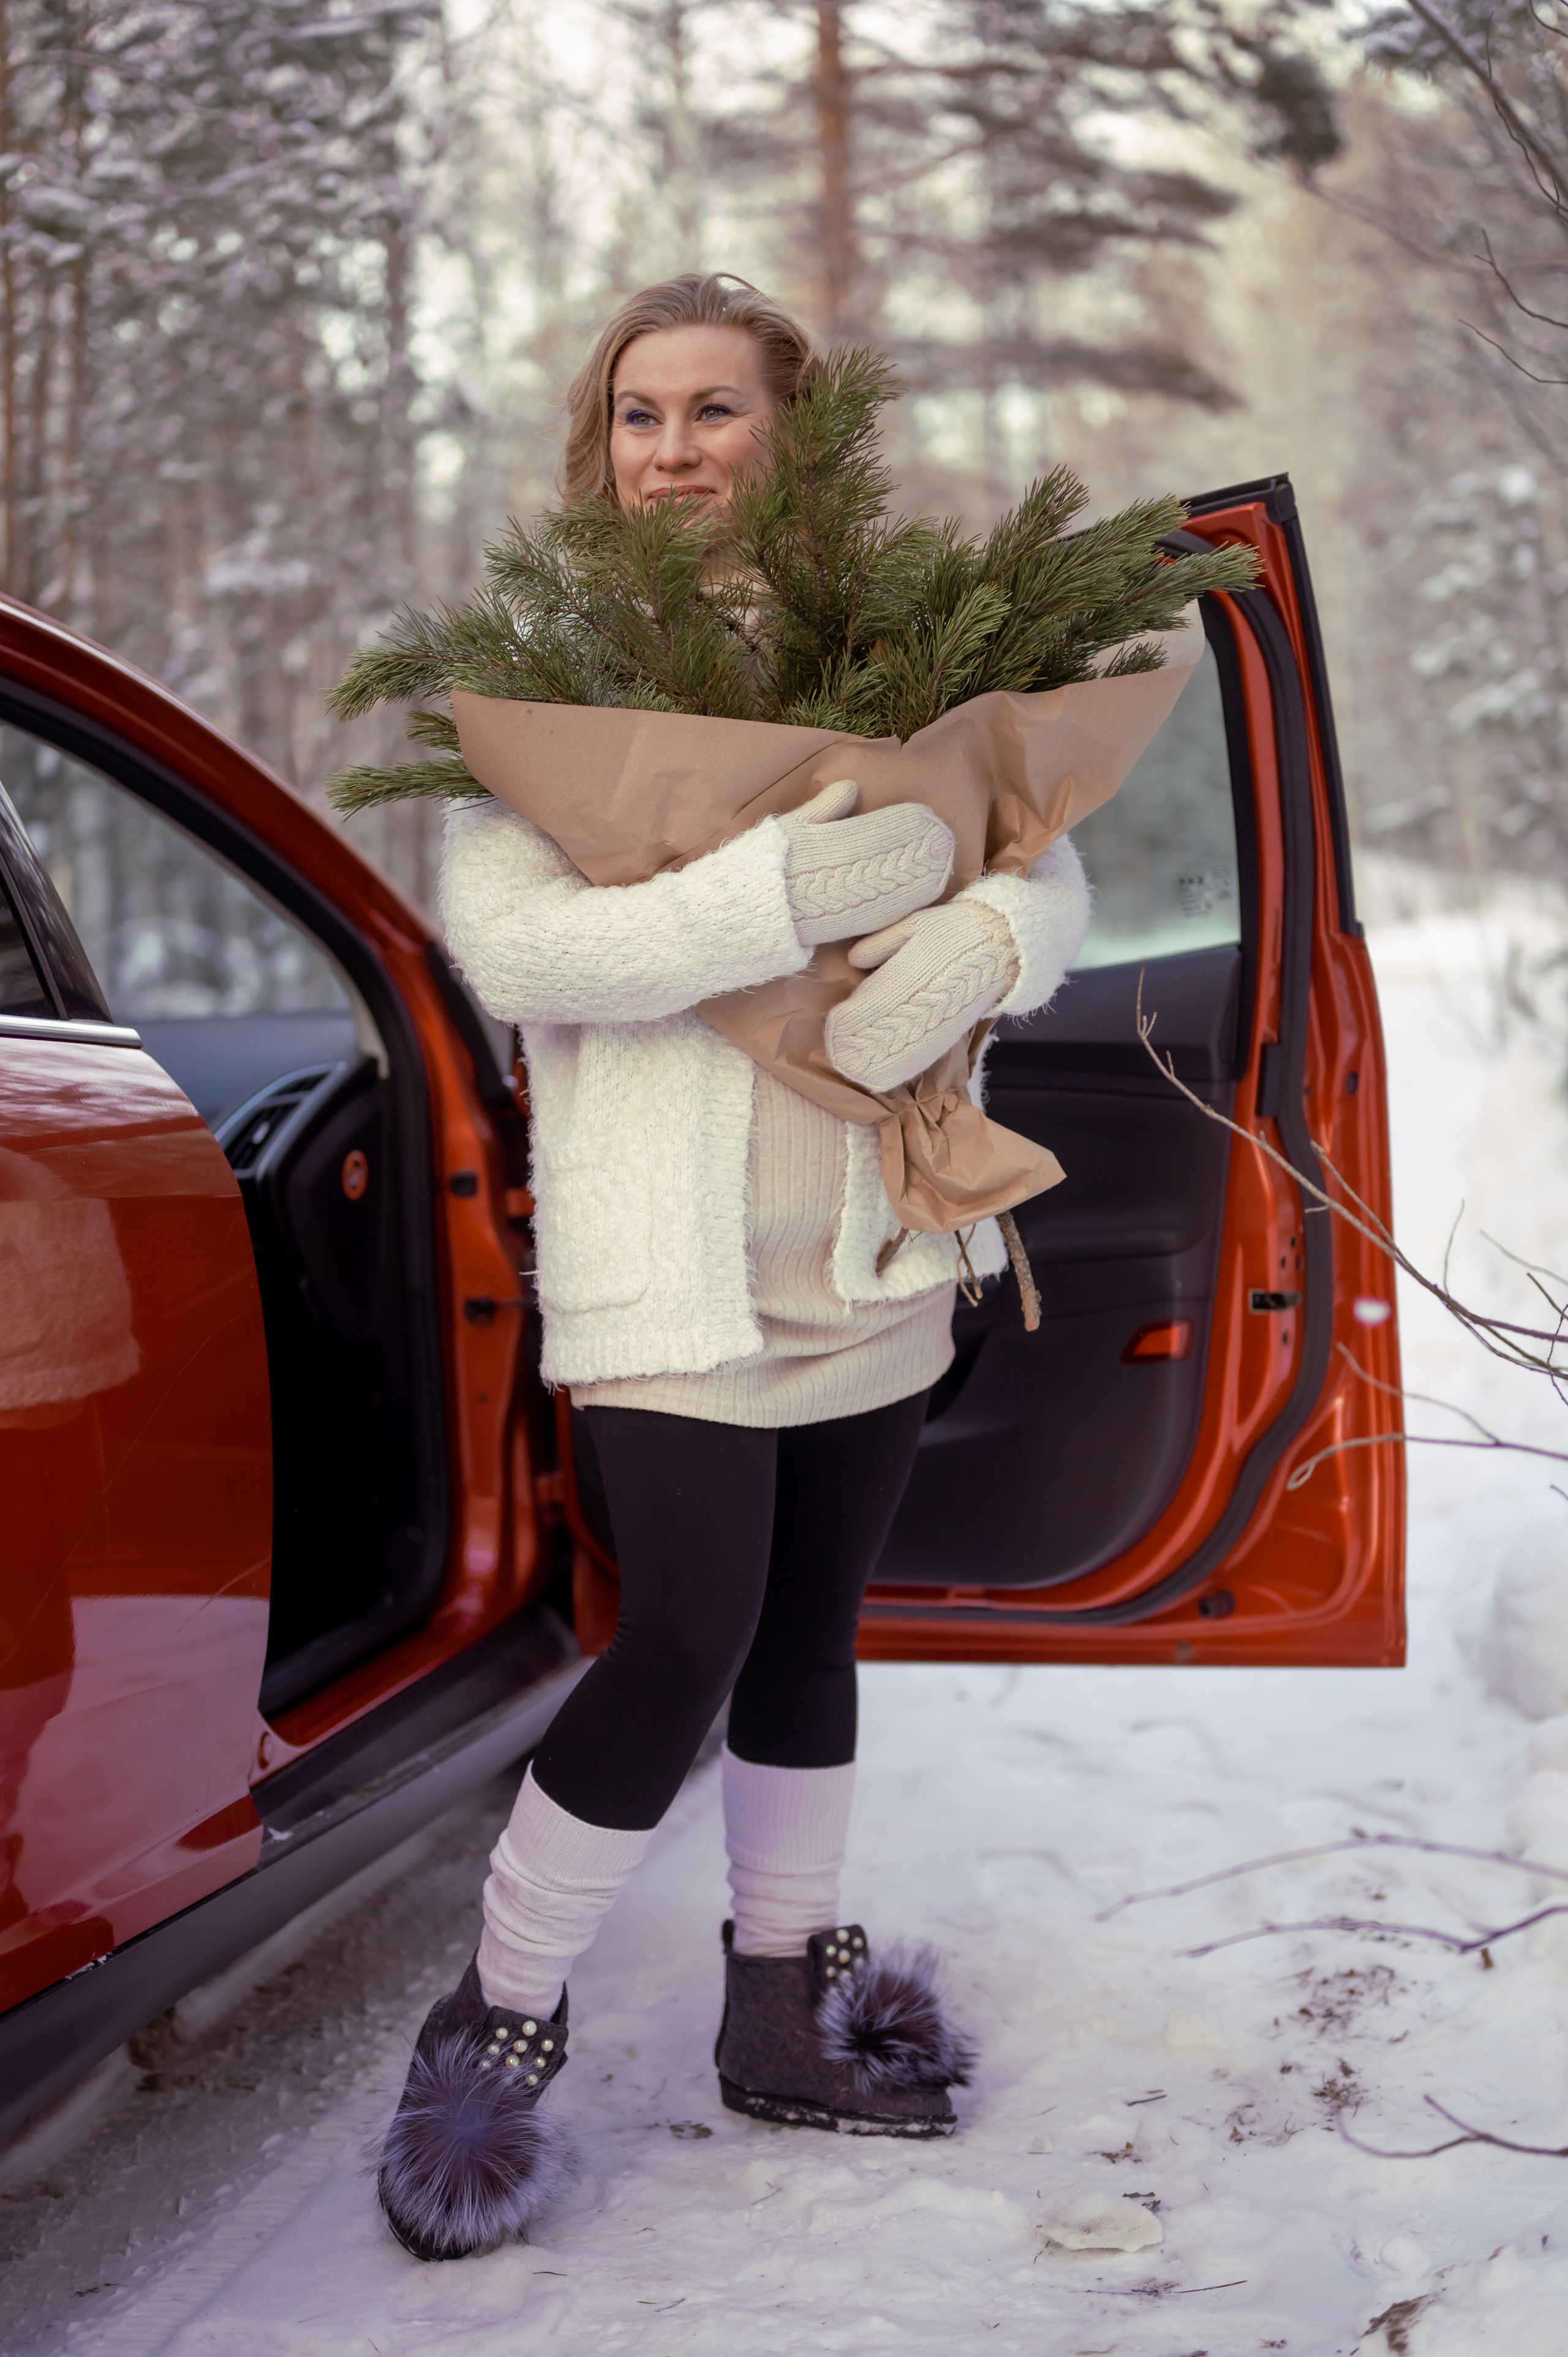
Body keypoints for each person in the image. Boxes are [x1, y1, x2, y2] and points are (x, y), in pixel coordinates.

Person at [377, 273, 1090, 2262]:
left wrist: (997, 943)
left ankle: (779, 2007)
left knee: (808, 1631)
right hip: (673, 1276)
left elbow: (1041, 831)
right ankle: (499, 2013)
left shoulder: (887, 648)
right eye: (639, 415)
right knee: (681, 1632)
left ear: (796, 429)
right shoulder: (550, 674)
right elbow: (521, 952)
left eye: (715, 409)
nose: (677, 448)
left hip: (878, 1242)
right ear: (597, 449)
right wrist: (790, 884)